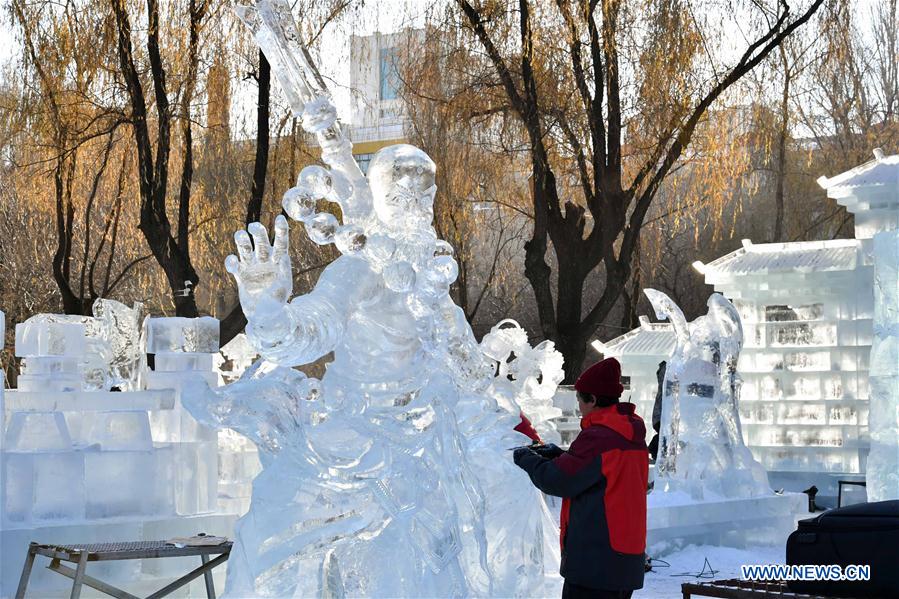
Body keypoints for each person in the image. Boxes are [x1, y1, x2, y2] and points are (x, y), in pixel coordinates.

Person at [514, 357, 648, 599]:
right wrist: (559, 454)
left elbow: (558, 481)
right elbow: (597, 471)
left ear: (593, 399)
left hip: (596, 561)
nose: (579, 408)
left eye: (580, 400)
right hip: (624, 558)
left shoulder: (599, 437)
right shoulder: (628, 435)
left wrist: (524, 457)